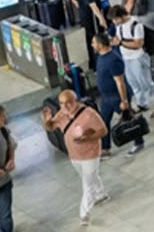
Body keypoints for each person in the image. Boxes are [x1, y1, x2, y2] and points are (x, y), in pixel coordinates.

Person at [43, 89, 109, 225]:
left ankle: (84, 213)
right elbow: (50, 127)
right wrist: (46, 120)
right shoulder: (62, 115)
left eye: (68, 103)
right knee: (89, 178)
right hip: (74, 155)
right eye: (61, 104)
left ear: (76, 101)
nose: (65, 107)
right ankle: (101, 193)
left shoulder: (89, 114)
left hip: (91, 154)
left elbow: (103, 130)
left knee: (87, 184)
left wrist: (87, 138)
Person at [109, 5, 154, 119]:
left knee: (146, 83)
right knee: (133, 83)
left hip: (138, 58)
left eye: (115, 19)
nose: (114, 22)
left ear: (122, 16)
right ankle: (142, 103)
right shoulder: (119, 26)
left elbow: (138, 44)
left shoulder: (136, 25)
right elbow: (118, 39)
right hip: (126, 58)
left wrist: (121, 43)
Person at [89, 33, 144, 156]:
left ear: (100, 44)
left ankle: (139, 142)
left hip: (116, 96)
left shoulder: (113, 59)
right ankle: (105, 148)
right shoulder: (101, 57)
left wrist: (124, 101)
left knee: (128, 120)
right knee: (103, 121)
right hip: (105, 97)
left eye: (94, 42)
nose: (92, 45)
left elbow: (120, 82)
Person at [68, 0, 111, 69]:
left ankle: (95, 63)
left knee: (92, 39)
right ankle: (97, 62)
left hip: (87, 18)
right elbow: (93, 7)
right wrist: (101, 19)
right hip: (91, 20)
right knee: (95, 39)